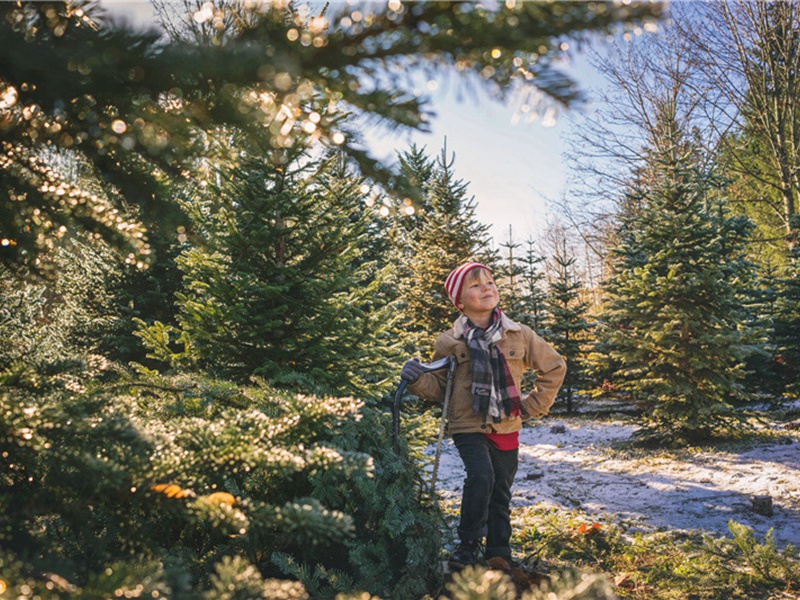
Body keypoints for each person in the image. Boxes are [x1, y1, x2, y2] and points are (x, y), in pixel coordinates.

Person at [401, 261, 566, 569]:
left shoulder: (519, 335)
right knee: (481, 476)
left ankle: (499, 552)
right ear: (460, 302)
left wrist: (532, 405)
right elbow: (438, 387)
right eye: (476, 285)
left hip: (507, 425)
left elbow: (554, 367)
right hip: (467, 424)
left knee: (500, 488)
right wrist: (415, 379)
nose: (487, 287)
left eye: (490, 281)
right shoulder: (449, 342)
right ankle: (468, 544)